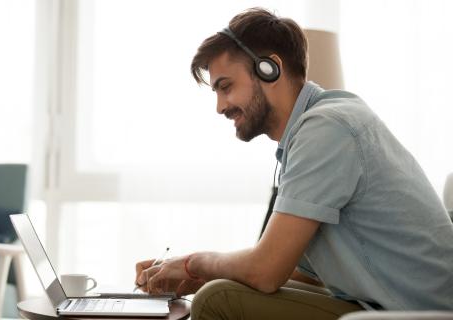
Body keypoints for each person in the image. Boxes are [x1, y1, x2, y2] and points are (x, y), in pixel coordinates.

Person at [135, 7, 453, 319]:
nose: (220, 107)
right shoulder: (315, 129)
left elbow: (266, 271)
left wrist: (194, 263)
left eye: (226, 87)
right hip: (388, 304)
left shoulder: (326, 129)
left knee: (217, 300)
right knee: (218, 288)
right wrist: (191, 276)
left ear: (269, 68)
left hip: (419, 313)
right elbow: (302, 274)